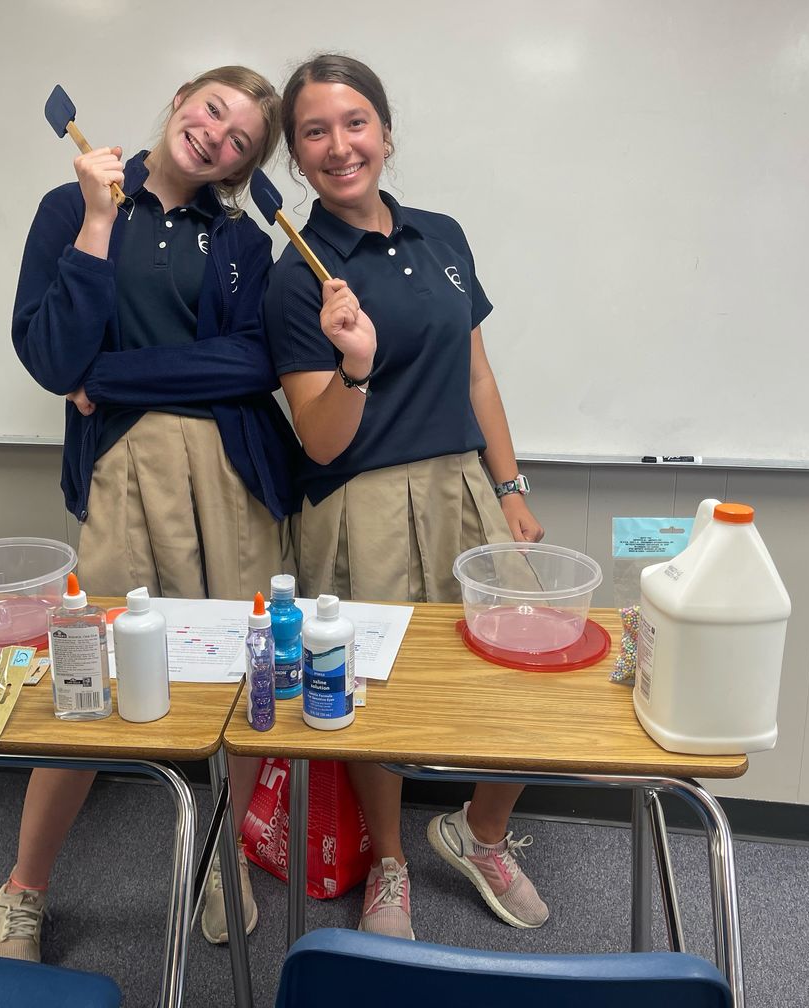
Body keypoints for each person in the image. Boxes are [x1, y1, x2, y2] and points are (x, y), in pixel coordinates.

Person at [0, 65, 299, 962]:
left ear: (242, 164)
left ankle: (222, 855)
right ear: (179, 102)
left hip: (235, 479)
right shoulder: (70, 206)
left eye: (239, 138)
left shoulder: (243, 243)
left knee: (248, 686)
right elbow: (53, 356)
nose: (215, 135)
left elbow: (252, 364)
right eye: (211, 111)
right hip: (122, 480)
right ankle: (22, 889)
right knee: (88, 684)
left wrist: (113, 378)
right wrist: (98, 221)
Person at [264, 54, 549, 941]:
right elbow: (319, 437)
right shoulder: (297, 275)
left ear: (385, 133)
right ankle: (388, 860)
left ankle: (479, 831)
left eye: (355, 123)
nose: (339, 146)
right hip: (362, 500)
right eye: (315, 131)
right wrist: (353, 360)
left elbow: (479, 373)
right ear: (295, 156)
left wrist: (509, 487)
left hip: (463, 481)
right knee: (372, 693)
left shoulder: (442, 235)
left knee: (521, 668)